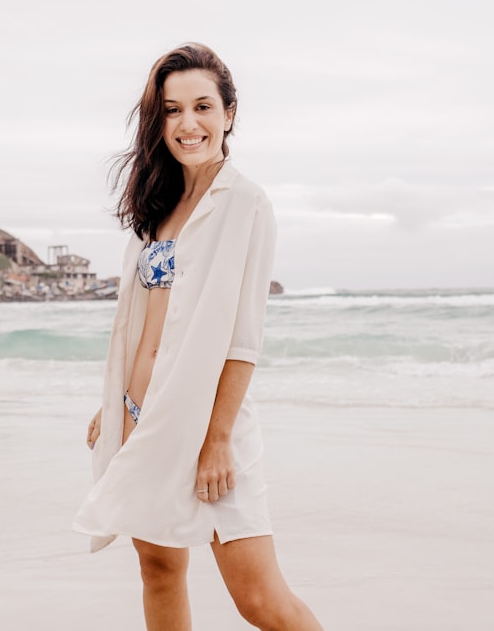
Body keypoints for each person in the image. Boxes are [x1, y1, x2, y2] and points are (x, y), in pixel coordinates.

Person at [73, 43, 323, 631]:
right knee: (158, 569)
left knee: (260, 601)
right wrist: (111, 405)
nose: (188, 124)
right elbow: (144, 324)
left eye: (203, 106)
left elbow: (242, 339)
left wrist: (216, 440)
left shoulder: (245, 203)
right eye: (172, 110)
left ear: (229, 113)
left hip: (209, 423)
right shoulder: (156, 206)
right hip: (141, 416)